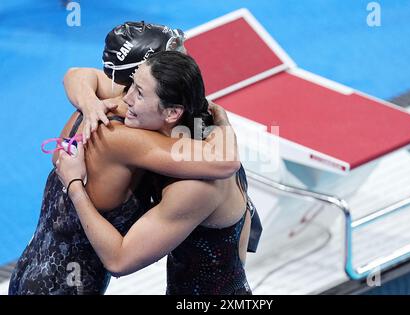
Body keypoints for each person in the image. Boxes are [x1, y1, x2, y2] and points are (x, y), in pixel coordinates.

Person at [8, 23, 240, 295]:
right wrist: (222, 120)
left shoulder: (111, 102)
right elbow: (227, 161)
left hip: (32, 270)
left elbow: (75, 74)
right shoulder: (124, 133)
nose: (186, 58)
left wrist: (87, 102)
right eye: (176, 53)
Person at [57, 51, 253, 295]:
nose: (125, 98)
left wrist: (74, 184)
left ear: (172, 113)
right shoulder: (196, 129)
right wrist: (89, 103)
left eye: (139, 93)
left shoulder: (194, 184)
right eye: (131, 85)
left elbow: (118, 260)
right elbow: (77, 75)